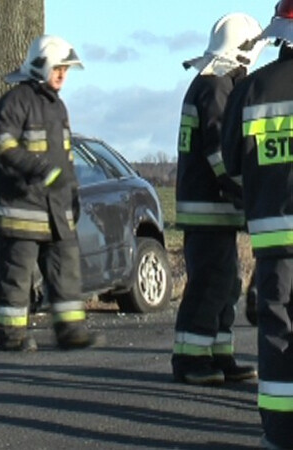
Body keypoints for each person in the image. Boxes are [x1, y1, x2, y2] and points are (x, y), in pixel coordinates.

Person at [0, 35, 102, 352]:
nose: (62, 75)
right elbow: (2, 146)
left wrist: (72, 195)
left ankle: (70, 331)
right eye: (57, 68)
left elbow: (66, 159)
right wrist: (40, 169)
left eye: (66, 69)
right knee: (16, 274)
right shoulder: (15, 102)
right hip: (21, 208)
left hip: (56, 209)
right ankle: (11, 336)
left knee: (66, 271)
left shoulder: (58, 107)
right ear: (41, 66)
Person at [171, 13, 264, 386]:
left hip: (212, 210)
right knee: (209, 283)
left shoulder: (211, 83)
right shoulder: (215, 88)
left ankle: (218, 353)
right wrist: (242, 187)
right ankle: (190, 359)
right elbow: (219, 149)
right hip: (209, 208)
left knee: (226, 283)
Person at [221, 1, 293, 447]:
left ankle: (282, 431)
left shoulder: (251, 88)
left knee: (278, 329)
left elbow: (231, 162)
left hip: (274, 237)